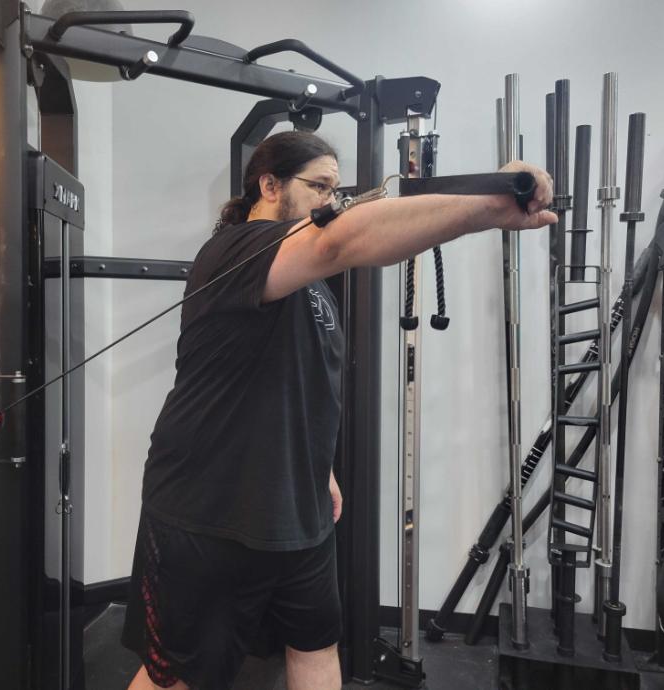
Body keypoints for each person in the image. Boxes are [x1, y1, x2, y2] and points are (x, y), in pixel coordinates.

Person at [121, 130, 556, 690]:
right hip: (208, 511)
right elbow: (339, 242)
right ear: (269, 185)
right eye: (320, 186)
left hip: (296, 512)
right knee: (177, 677)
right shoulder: (237, 249)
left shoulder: (311, 285)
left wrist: (319, 468)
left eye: (335, 188)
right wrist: (487, 205)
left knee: (316, 646)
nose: (331, 199)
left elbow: (298, 379)